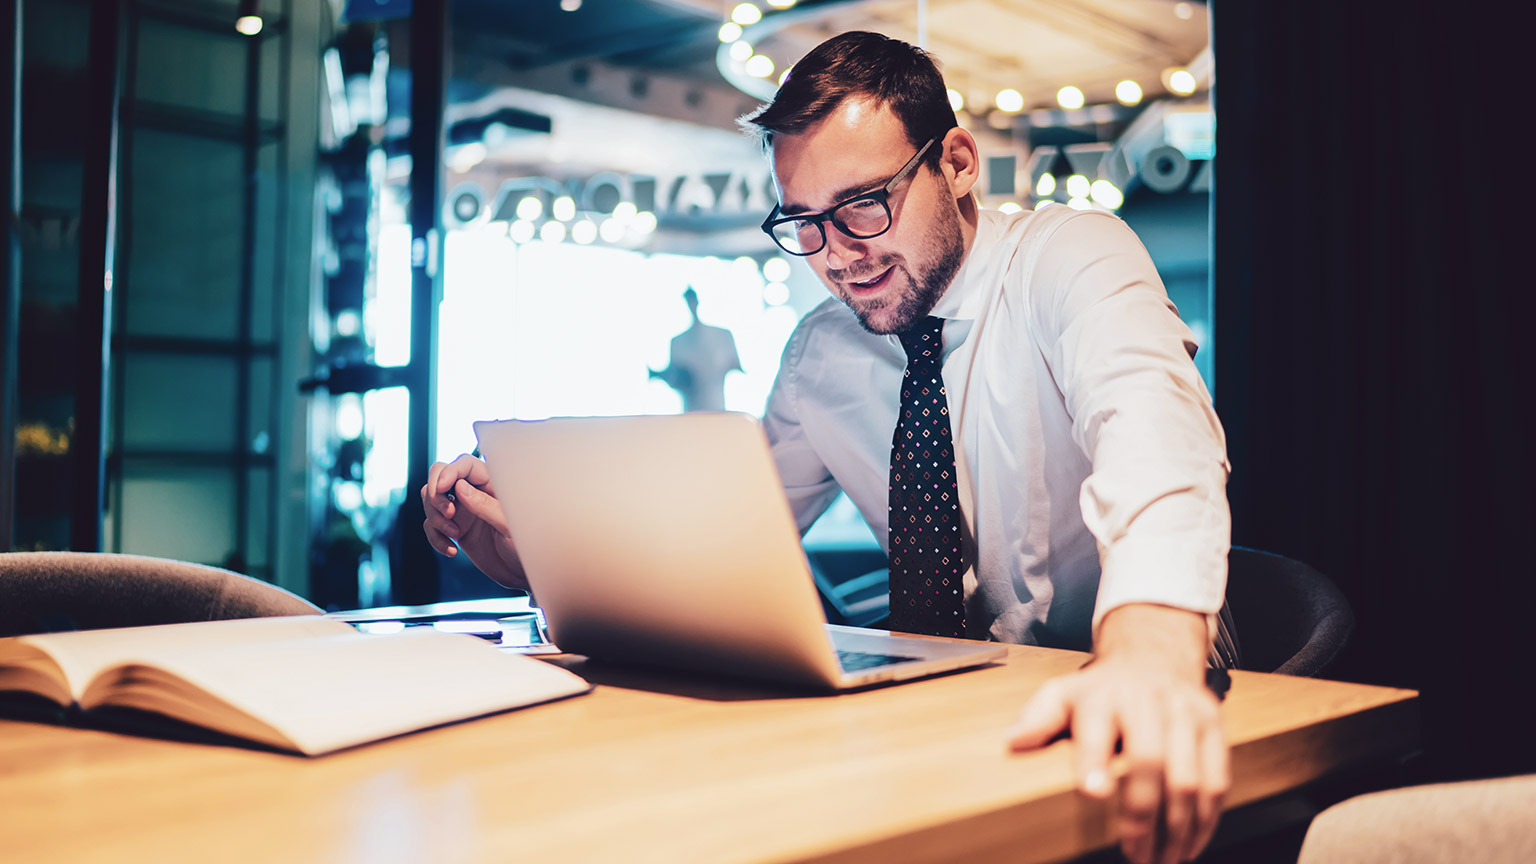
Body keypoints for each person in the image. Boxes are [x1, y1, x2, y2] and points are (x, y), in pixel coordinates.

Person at [422, 31, 1234, 864]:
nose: (839, 255)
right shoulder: (821, 355)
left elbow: (1158, 439)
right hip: (952, 719)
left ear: (957, 162)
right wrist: (540, 558)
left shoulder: (1071, 256)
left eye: (863, 204)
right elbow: (710, 551)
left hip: (1128, 694)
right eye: (804, 223)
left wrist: (1149, 653)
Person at [648, 287, 743, 412]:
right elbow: (677, 380)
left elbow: (736, 367)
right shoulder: (677, 342)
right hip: (690, 413)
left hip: (718, 408)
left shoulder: (723, 335)